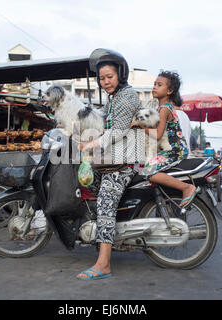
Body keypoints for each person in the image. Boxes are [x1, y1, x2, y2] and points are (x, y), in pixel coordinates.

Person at [76, 48, 143, 280]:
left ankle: (103, 264)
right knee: (87, 186)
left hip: (124, 162)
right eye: (102, 78)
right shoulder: (115, 97)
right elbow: (101, 116)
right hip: (115, 159)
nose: (105, 82)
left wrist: (91, 143)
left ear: (120, 75)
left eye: (109, 77)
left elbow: (117, 131)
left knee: (105, 204)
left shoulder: (127, 96)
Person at [131, 71, 197, 208]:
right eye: (155, 84)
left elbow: (157, 135)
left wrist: (140, 125)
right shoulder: (162, 108)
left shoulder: (164, 110)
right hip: (173, 149)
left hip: (175, 150)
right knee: (140, 166)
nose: (155, 87)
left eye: (159, 85)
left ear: (170, 91)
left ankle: (186, 188)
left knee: (148, 172)